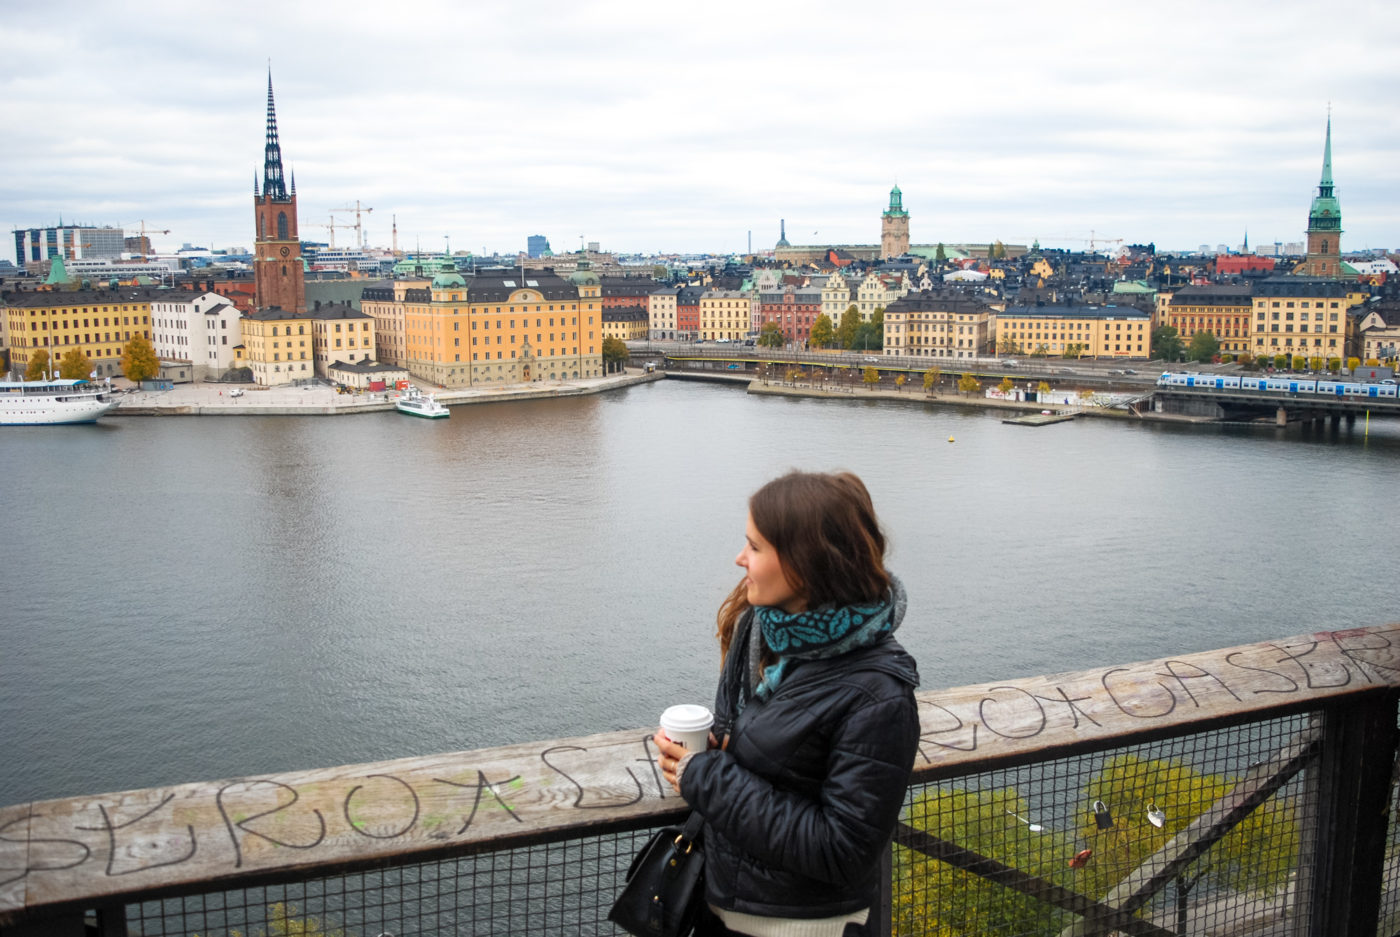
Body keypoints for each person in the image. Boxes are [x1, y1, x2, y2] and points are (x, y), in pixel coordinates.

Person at [653, 470, 921, 937]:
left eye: (755, 547)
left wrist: (705, 774)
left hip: (805, 927)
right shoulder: (779, 646)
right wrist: (719, 750)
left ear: (805, 563)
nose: (740, 559)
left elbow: (842, 849)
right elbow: (788, 766)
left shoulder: (879, 696)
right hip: (738, 910)